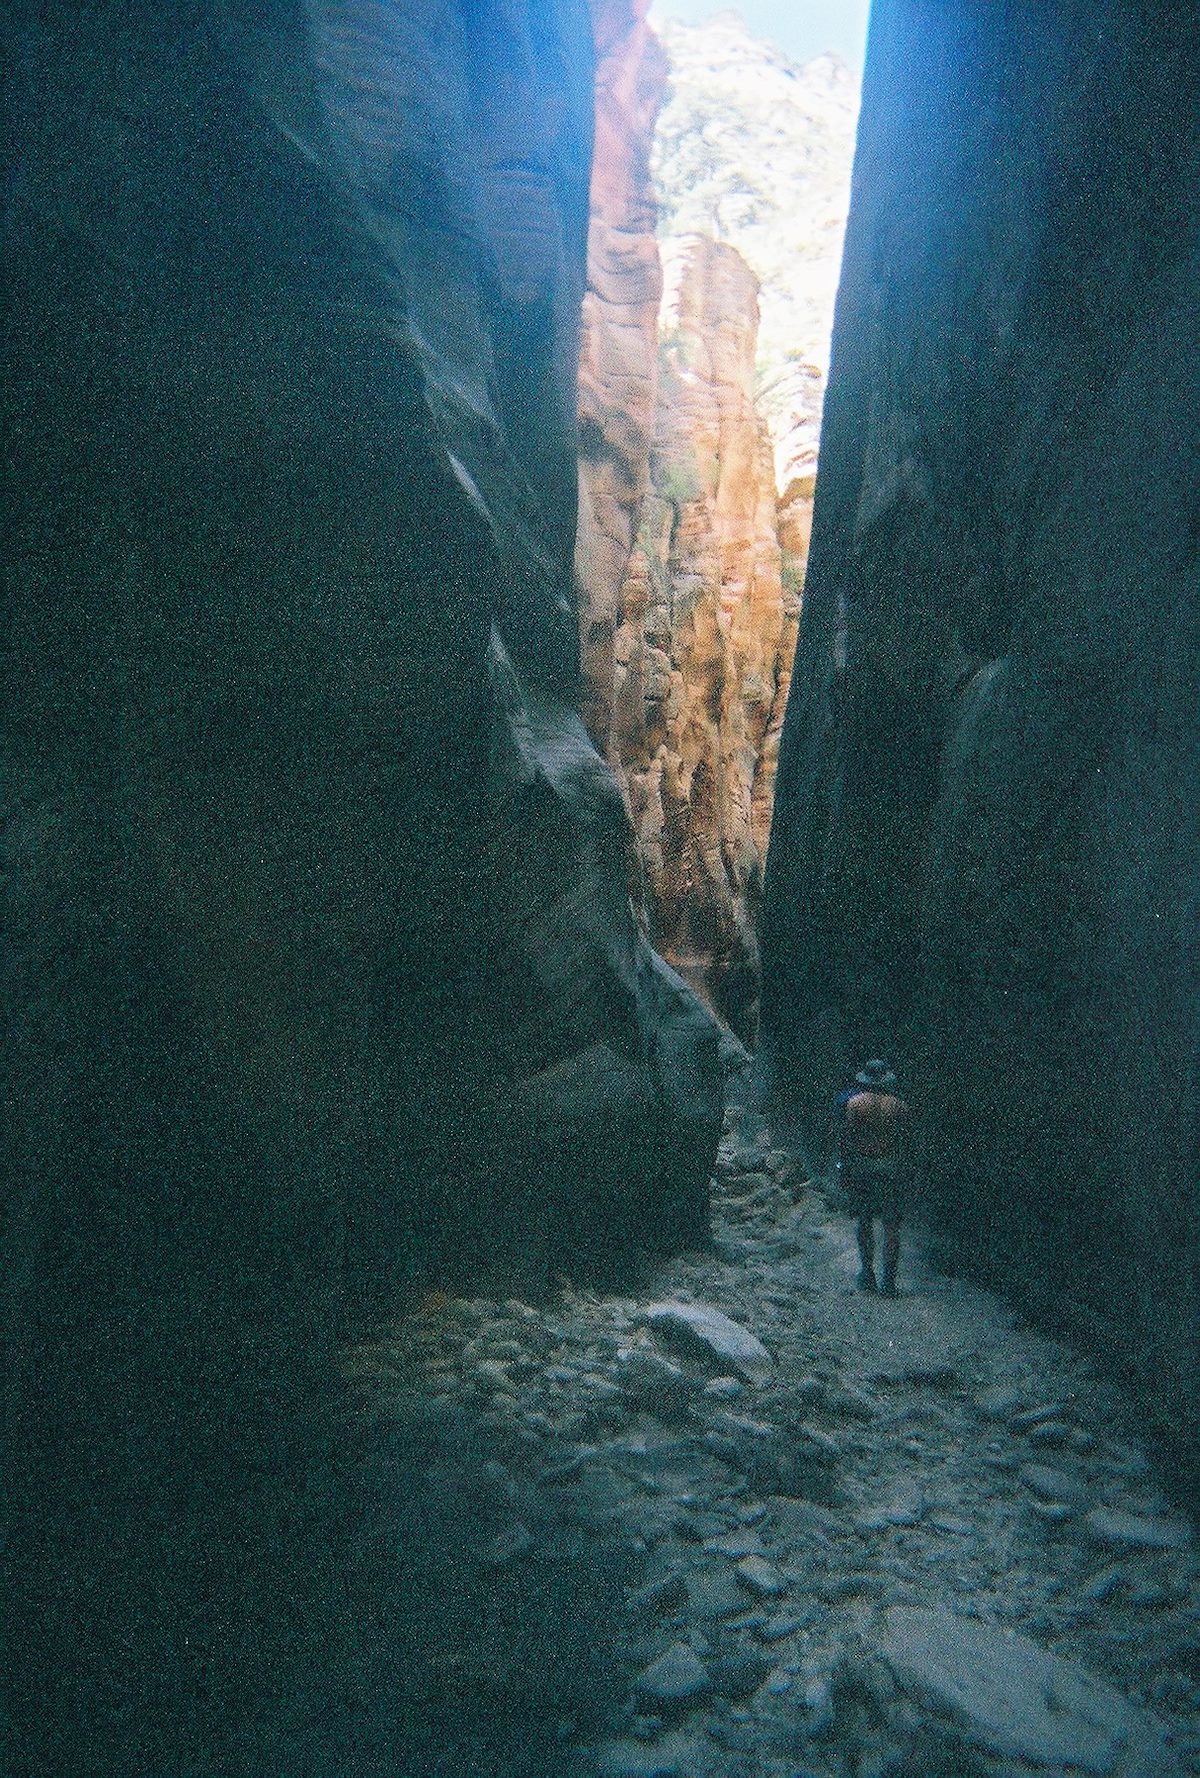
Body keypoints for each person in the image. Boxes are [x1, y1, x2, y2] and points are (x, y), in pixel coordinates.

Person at [841, 1060, 909, 1296]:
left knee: (865, 1221)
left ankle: (868, 1273)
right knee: (891, 1225)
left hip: (863, 1167)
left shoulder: (854, 1104)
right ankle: (888, 1281)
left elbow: (848, 1139)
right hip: (890, 1168)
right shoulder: (899, 1106)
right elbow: (904, 1141)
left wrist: (846, 1170)